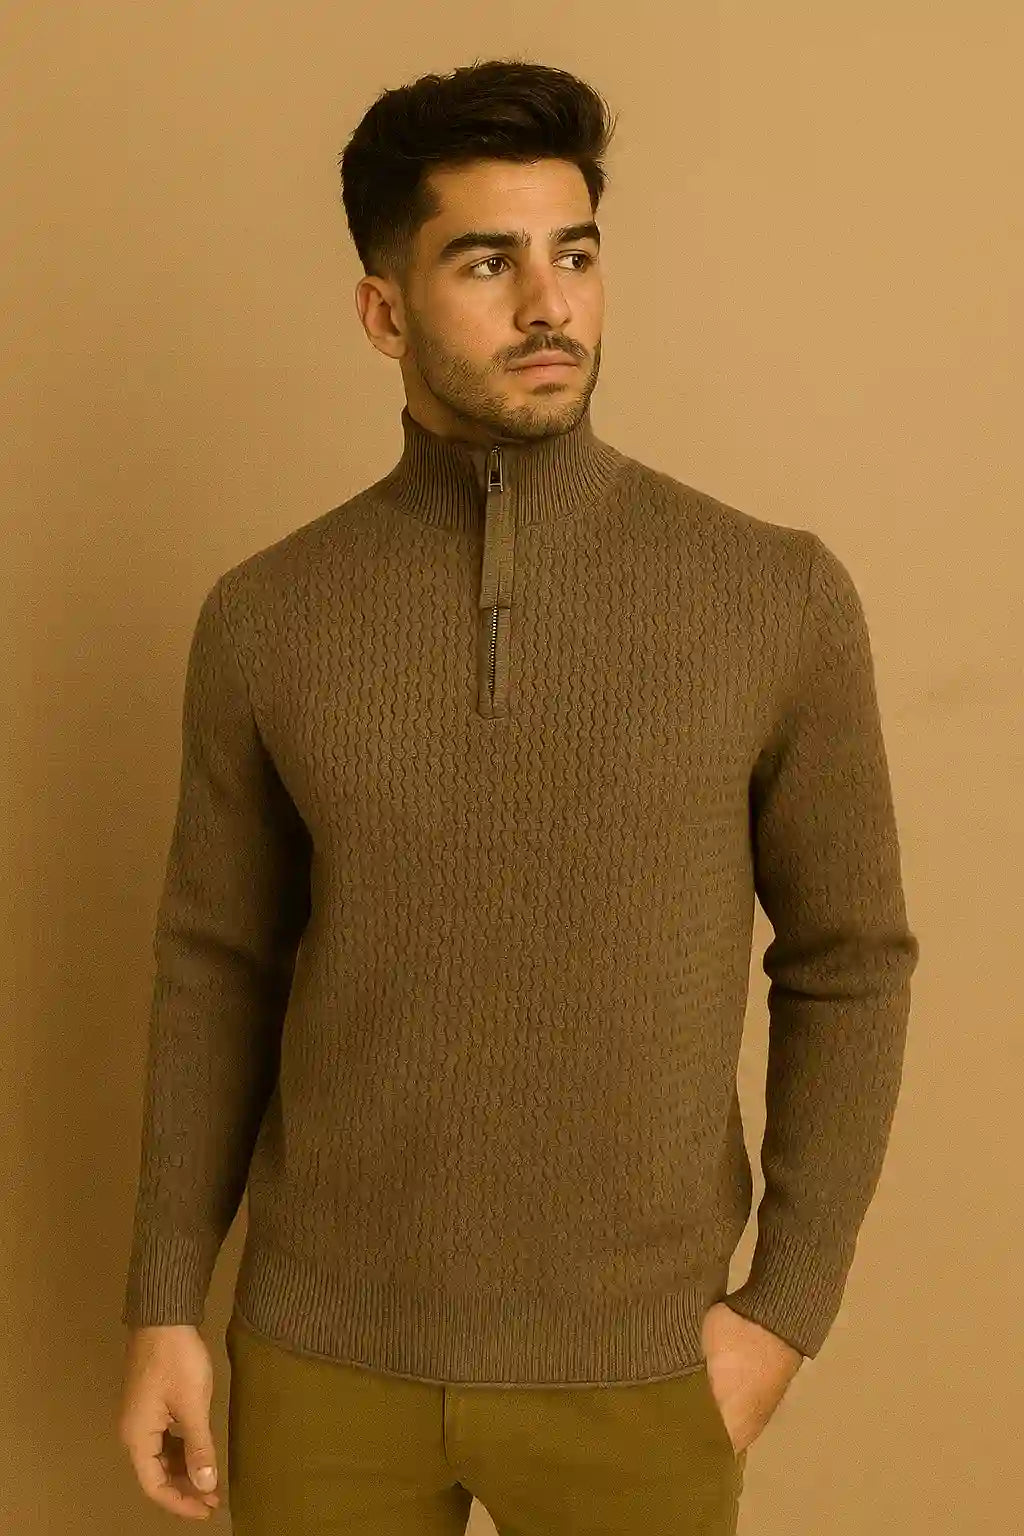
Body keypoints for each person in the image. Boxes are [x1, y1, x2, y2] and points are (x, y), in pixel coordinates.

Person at [116, 56, 919, 1534]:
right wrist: (167, 1298)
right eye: (487, 262)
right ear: (384, 313)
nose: (549, 304)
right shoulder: (267, 616)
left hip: (642, 1366)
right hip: (321, 1358)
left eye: (576, 255)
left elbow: (851, 961)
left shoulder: (775, 596)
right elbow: (216, 965)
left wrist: (785, 1310)